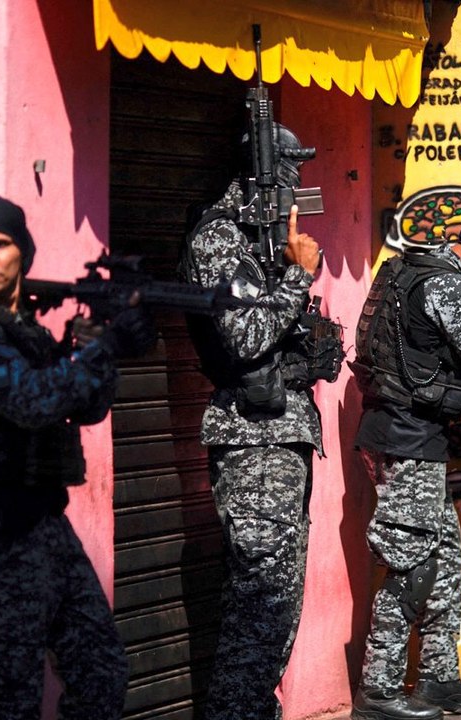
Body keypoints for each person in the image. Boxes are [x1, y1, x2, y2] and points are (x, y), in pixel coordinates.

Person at [0, 195, 156, 719]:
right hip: (0, 538)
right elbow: (29, 404)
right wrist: (102, 348)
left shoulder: (22, 332)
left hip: (44, 525)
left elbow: (83, 408)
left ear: (24, 253)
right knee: (7, 702)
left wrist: (96, 341)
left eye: (1, 245)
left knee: (100, 672)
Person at [350, 206, 461, 720]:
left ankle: (438, 678)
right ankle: (378, 689)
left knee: (443, 562)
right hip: (405, 438)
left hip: (412, 436)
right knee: (411, 566)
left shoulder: (415, 267)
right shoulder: (446, 286)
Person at [179, 141, 333, 720]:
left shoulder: (258, 242)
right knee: (258, 604)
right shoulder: (217, 240)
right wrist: (297, 278)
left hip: (281, 435)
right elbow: (243, 339)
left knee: (278, 604)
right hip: (252, 441)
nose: (297, 189)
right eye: (290, 175)